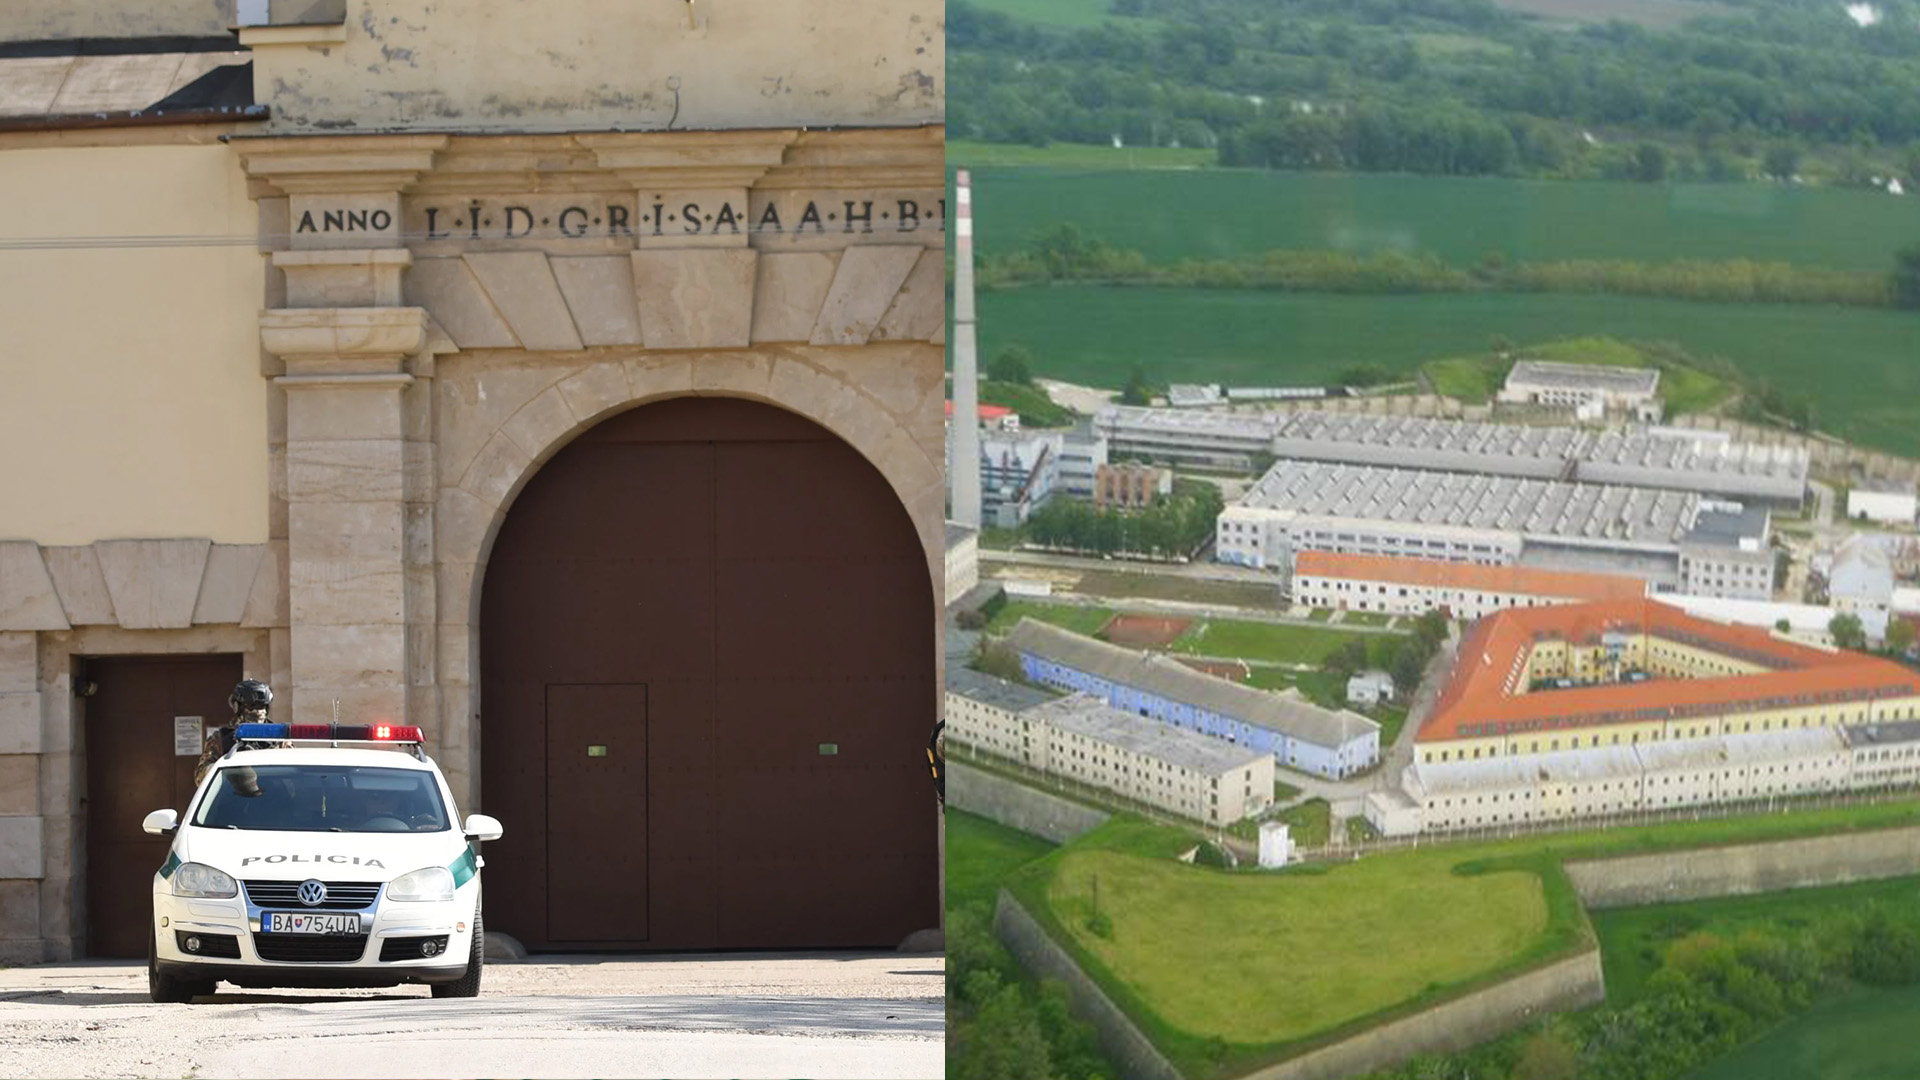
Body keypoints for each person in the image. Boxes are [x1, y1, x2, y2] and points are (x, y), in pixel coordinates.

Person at [194, 679, 273, 789]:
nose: (259, 712)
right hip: (234, 794)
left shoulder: (279, 738)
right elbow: (201, 777)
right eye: (252, 707)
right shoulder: (222, 738)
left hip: (275, 794)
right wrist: (229, 768)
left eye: (261, 707)